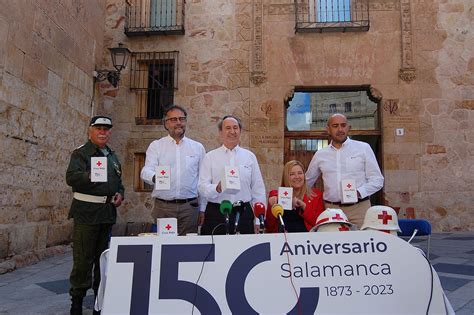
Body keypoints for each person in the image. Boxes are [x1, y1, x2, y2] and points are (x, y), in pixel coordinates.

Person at [66, 115, 124, 315]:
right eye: (99, 128)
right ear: (90, 130)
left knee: (103, 261)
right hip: (86, 214)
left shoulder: (111, 155)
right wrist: (90, 175)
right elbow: (71, 178)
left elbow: (119, 183)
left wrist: (120, 195)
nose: (103, 132)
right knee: (83, 260)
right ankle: (77, 303)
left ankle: (99, 303)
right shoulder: (81, 154)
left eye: (106, 129)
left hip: (106, 214)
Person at [306, 113, 384, 227]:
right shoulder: (320, 155)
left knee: (361, 243)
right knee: (333, 244)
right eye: (335, 126)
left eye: (343, 125)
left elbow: (377, 180)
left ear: (348, 128)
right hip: (331, 210)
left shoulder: (363, 148)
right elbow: (307, 182)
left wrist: (359, 192)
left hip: (359, 209)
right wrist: (280, 196)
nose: (340, 129)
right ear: (328, 129)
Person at [140, 105, 206, 235]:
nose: (178, 123)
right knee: (164, 248)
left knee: (188, 249)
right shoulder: (156, 146)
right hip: (163, 208)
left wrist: (203, 208)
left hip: (189, 208)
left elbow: (203, 181)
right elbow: (145, 171)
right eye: (174, 119)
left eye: (182, 119)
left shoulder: (197, 148)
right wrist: (155, 177)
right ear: (166, 123)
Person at [198, 115, 266, 235]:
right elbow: (202, 187)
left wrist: (258, 220)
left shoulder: (249, 157)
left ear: (240, 131)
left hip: (243, 213)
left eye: (235, 128)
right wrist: (216, 188)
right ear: (221, 132)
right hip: (216, 213)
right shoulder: (210, 157)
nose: (232, 131)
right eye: (228, 128)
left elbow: (258, 189)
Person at [266, 160, 324, 233]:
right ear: (286, 177)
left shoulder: (316, 195)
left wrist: (304, 206)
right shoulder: (276, 195)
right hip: (283, 240)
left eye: (300, 173)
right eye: (292, 174)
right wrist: (273, 206)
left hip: (308, 240)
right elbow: (269, 226)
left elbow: (320, 223)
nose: (297, 177)